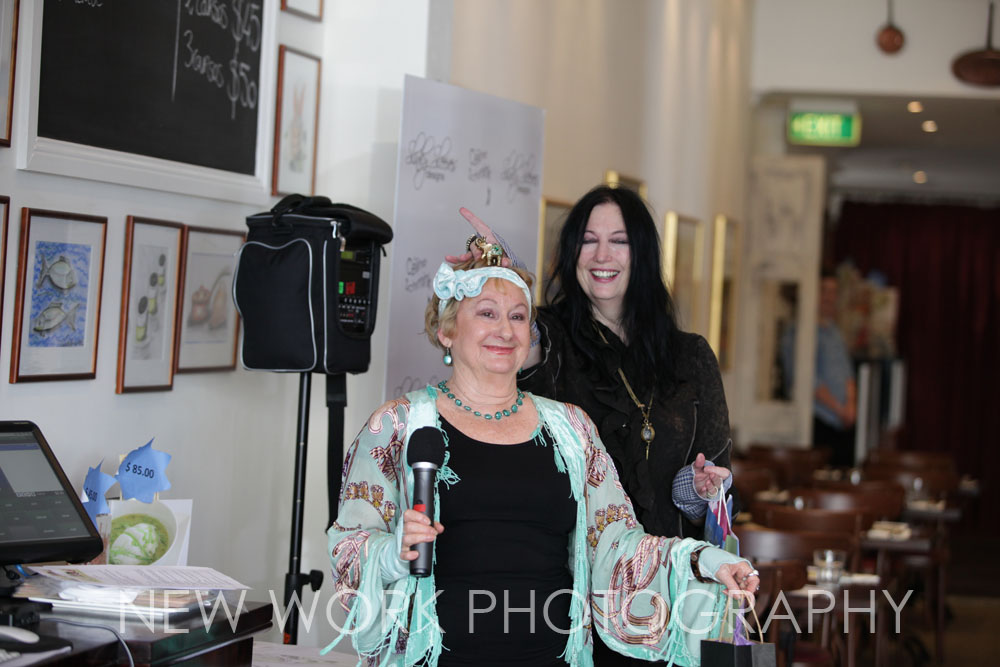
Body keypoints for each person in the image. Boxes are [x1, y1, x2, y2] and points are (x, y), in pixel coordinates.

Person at [323, 252, 759, 666]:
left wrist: (702, 561)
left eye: (518, 317)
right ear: (447, 331)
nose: (505, 330)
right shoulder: (398, 426)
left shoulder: (571, 428)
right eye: (487, 313)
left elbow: (617, 545)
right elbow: (348, 545)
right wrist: (392, 556)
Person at [781, 273, 857, 467]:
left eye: (833, 292)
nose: (829, 297)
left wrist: (850, 405)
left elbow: (847, 372)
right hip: (816, 421)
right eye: (824, 291)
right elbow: (807, 379)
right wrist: (839, 409)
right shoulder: (797, 332)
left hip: (842, 422)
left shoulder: (835, 332)